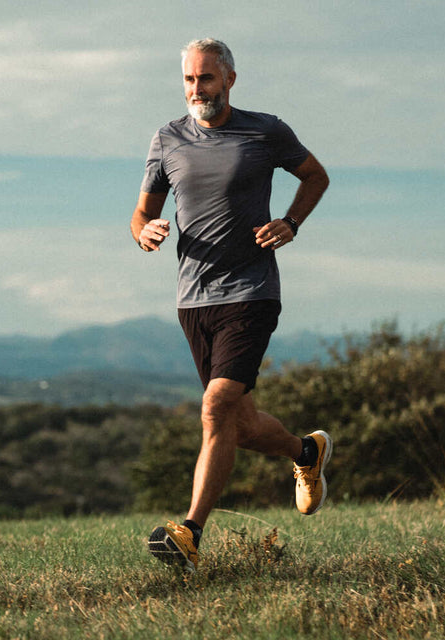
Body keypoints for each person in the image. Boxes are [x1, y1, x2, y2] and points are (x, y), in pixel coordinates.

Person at [131, 38, 332, 572]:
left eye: (207, 79)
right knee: (237, 425)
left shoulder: (266, 131)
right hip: (193, 299)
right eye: (189, 81)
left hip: (252, 291)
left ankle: (189, 532)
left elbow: (316, 175)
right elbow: (141, 212)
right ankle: (304, 453)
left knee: (215, 406)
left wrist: (290, 222)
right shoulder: (167, 138)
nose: (198, 89)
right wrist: (144, 231)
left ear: (230, 80)